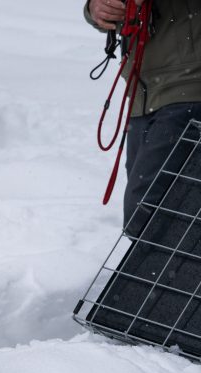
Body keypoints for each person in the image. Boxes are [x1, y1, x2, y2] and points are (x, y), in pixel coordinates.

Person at [85, 0, 201, 229]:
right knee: (155, 212)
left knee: (147, 212)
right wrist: (96, 8)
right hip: (143, 95)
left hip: (187, 89)